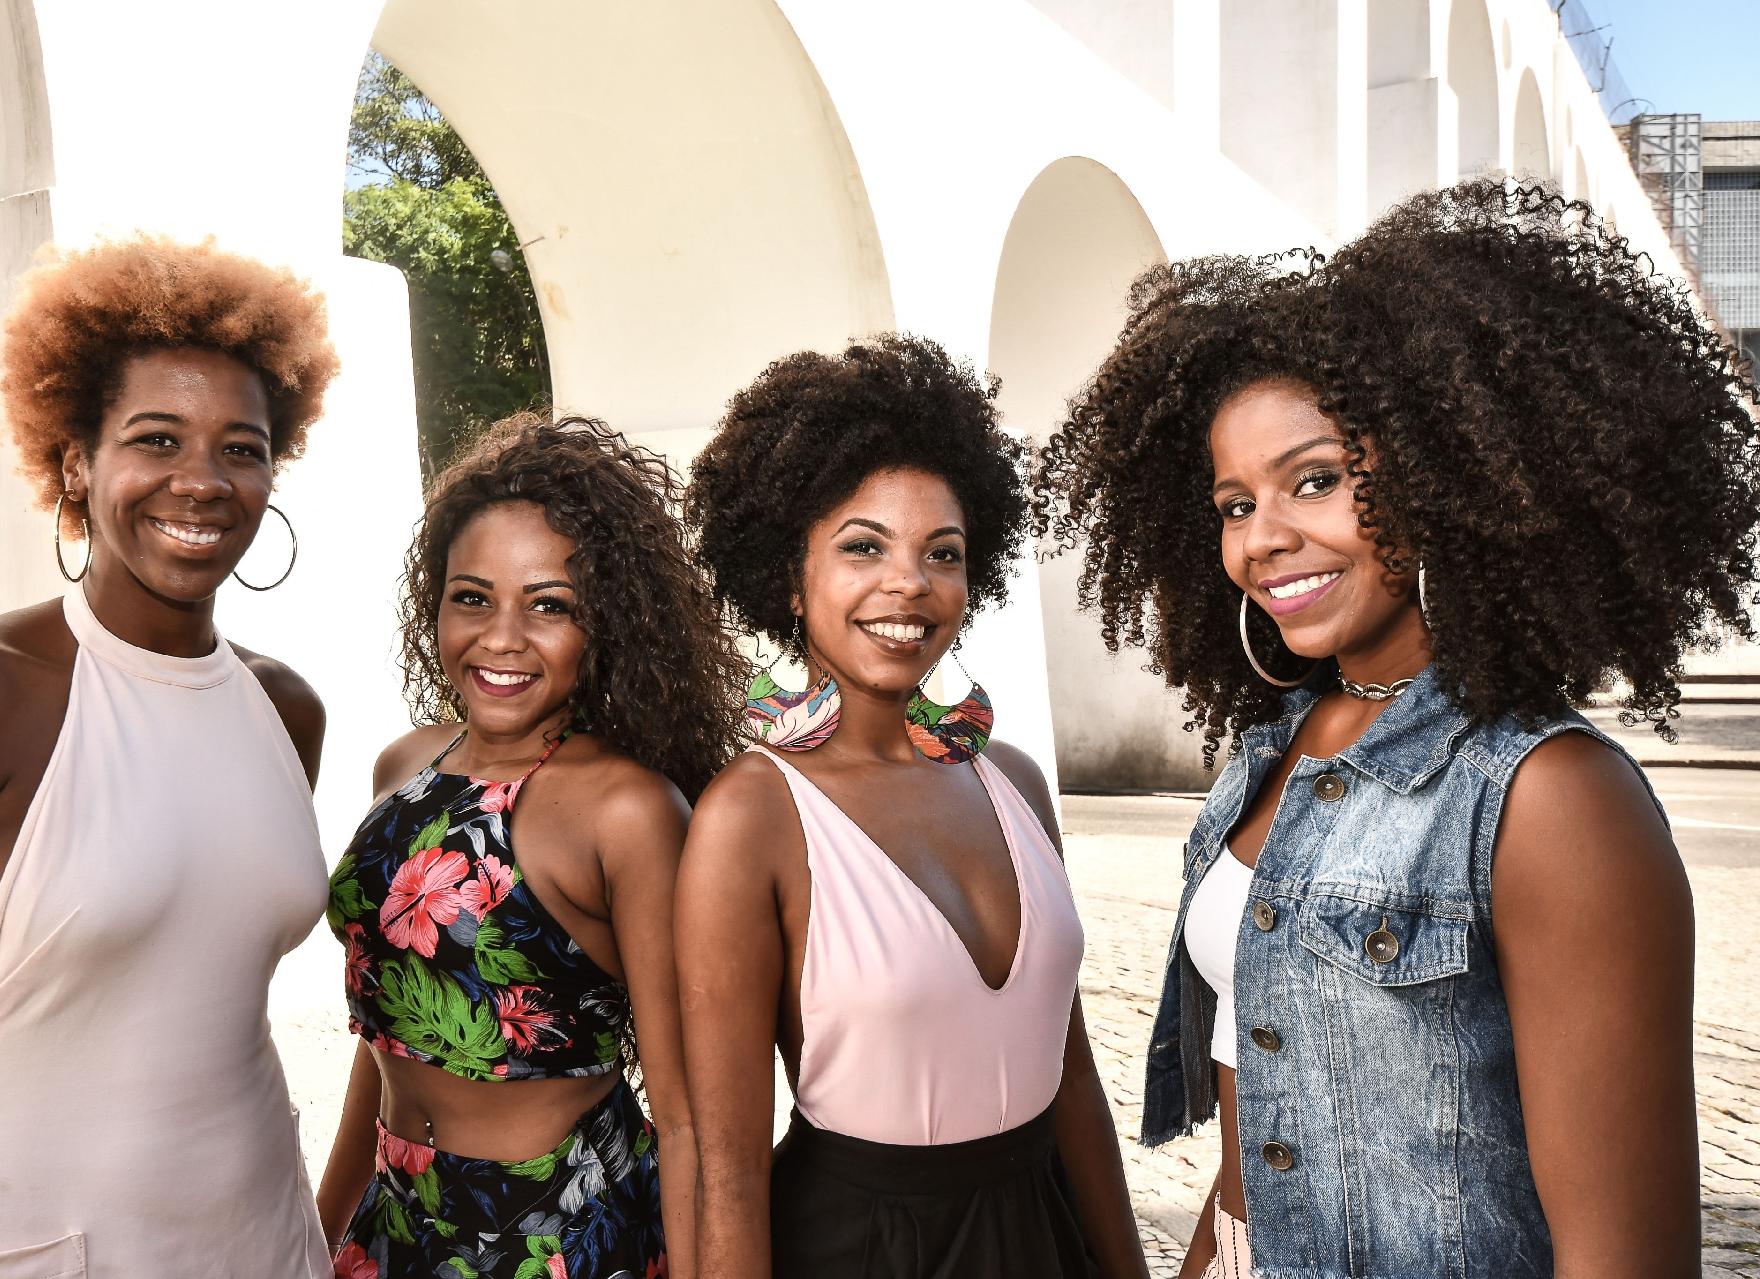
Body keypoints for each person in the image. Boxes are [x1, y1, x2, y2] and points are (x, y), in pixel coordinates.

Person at [1032, 179, 1746, 1276]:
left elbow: (1627, 1254)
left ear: (1447, 475)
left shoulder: (1548, 796)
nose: (1262, 539)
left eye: (1313, 481)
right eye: (1234, 504)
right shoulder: (1274, 751)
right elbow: (1257, 1139)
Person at [0, 236, 342, 1274]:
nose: (200, 482)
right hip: (35, 1239)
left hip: (254, 1230)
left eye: (240, 448)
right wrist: (40, 1093)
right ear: (77, 460)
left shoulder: (284, 708)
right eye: (156, 439)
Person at [676, 334, 1152, 1279]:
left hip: (1042, 1230)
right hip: (861, 1250)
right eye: (863, 546)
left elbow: (1074, 1077)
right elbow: (727, 1166)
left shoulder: (1010, 779)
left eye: (943, 552)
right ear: (788, 573)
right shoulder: (753, 814)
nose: (909, 583)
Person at [317, 415, 748, 1279]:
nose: (503, 637)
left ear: (606, 626)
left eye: (550, 605)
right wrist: (320, 1230)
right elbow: (387, 1043)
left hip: (559, 1233)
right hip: (398, 1220)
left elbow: (692, 1117)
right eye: (472, 597)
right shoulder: (406, 766)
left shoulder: (627, 810)